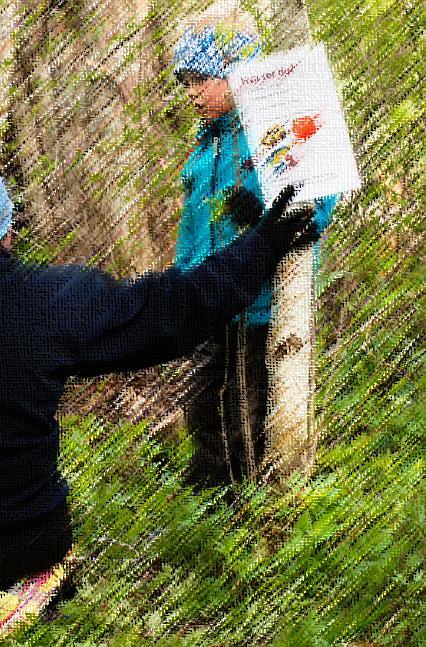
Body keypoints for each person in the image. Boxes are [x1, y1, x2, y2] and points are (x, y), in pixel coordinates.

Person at [0, 156, 321, 644]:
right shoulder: (48, 301)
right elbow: (175, 311)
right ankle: (13, 609)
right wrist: (263, 244)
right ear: (5, 225)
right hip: (19, 548)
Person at [171, 5, 336, 487]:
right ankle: (209, 500)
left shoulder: (271, 126)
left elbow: (314, 193)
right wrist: (182, 284)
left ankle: (253, 505)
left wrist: (265, 218)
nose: (193, 92)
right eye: (187, 81)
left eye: (203, 79)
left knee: (251, 406)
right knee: (202, 402)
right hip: (207, 299)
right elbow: (191, 227)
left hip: (257, 301)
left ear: (236, 73)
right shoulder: (207, 144)